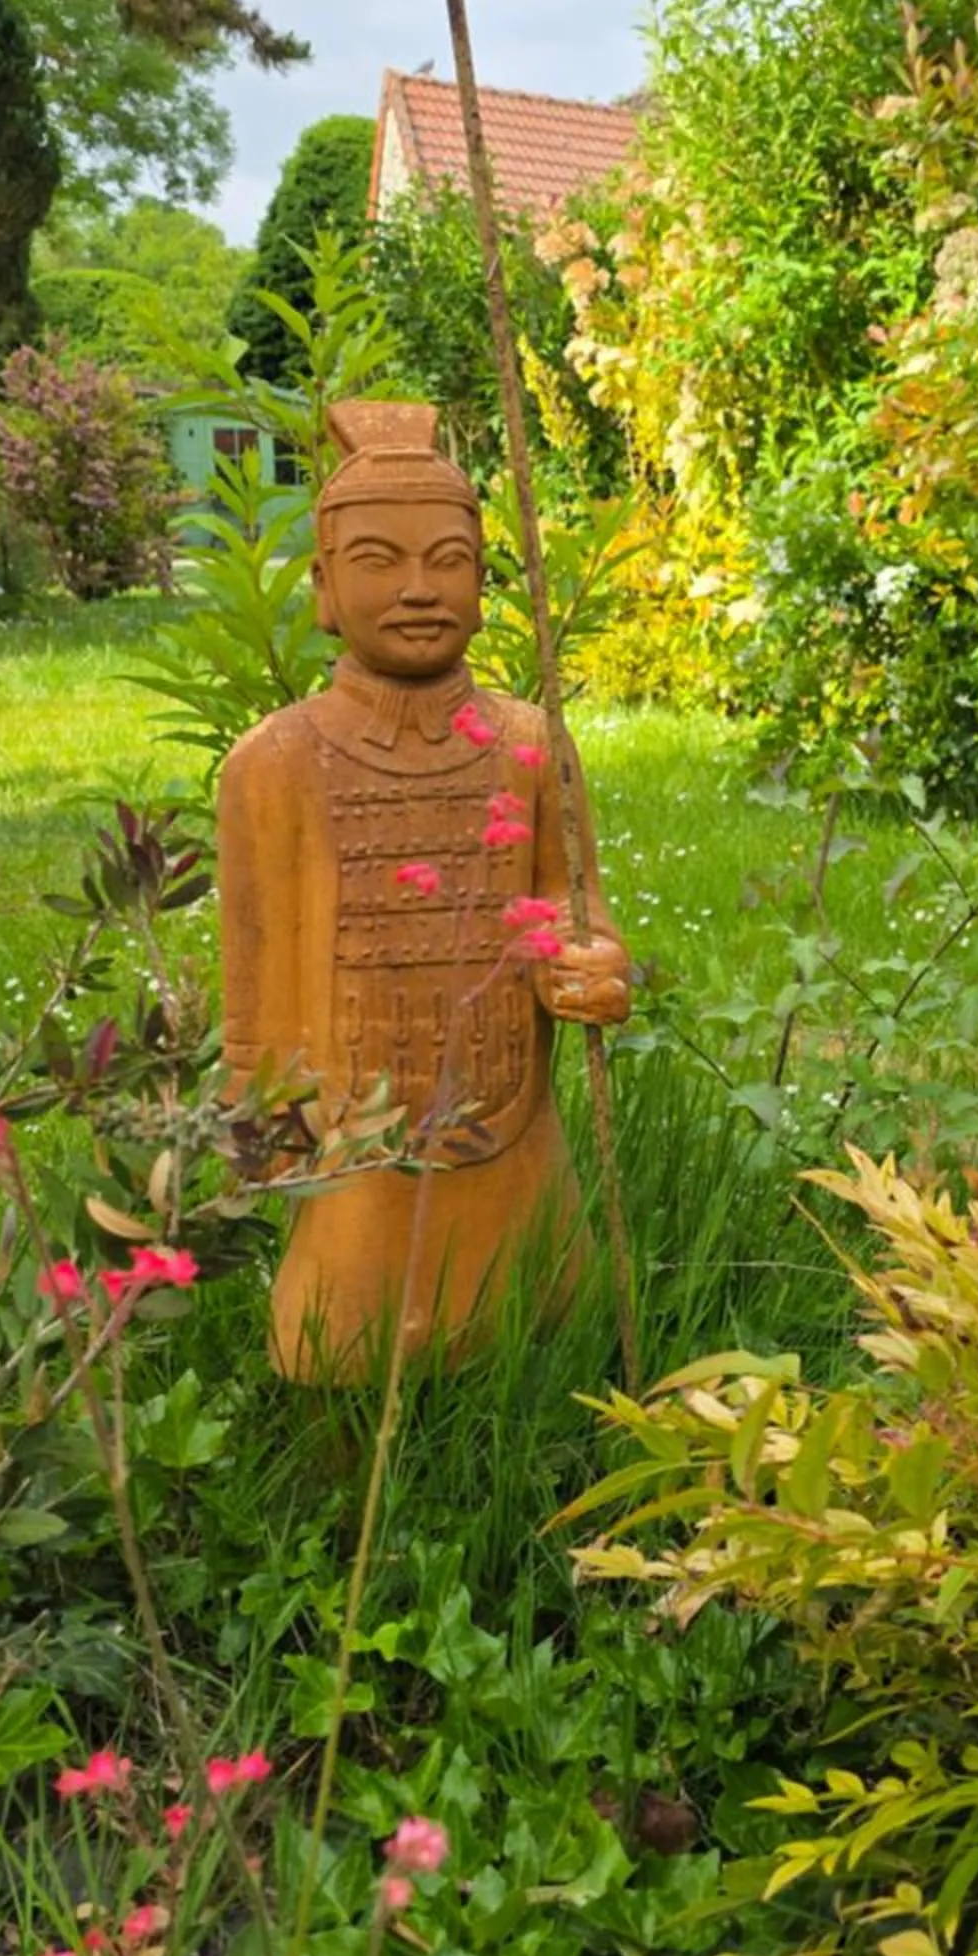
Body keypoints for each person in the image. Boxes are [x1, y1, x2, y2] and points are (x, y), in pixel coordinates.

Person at [218, 398, 630, 1379]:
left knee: (552, 1345)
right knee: (338, 1356)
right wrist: (261, 1131)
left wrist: (590, 961)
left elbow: (574, 901)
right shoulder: (273, 764)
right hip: (353, 1145)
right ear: (322, 588)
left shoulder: (531, 743)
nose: (417, 590)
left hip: (513, 1135)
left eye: (448, 560)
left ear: (483, 583)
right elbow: (257, 981)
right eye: (377, 562)